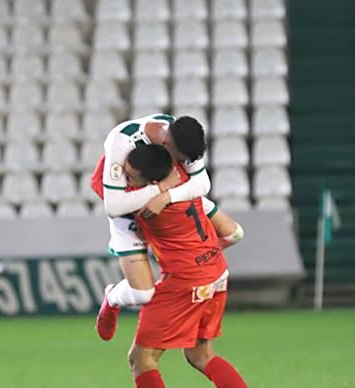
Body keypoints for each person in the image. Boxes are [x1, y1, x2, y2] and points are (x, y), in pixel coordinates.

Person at [112, 144, 278, 388]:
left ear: (148, 181)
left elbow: (108, 200)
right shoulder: (189, 189)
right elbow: (235, 232)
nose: (126, 179)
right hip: (215, 274)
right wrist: (200, 253)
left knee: (141, 358)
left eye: (131, 176)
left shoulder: (146, 203)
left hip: (184, 282)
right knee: (200, 354)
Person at [89, 114, 244, 340]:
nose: (178, 163)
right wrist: (158, 190)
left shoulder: (183, 139)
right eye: (177, 158)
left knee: (235, 233)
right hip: (126, 195)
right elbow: (113, 206)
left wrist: (167, 196)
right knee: (143, 294)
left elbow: (202, 183)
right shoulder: (121, 141)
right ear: (165, 143)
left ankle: (191, 263)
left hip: (168, 192)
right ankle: (112, 298)